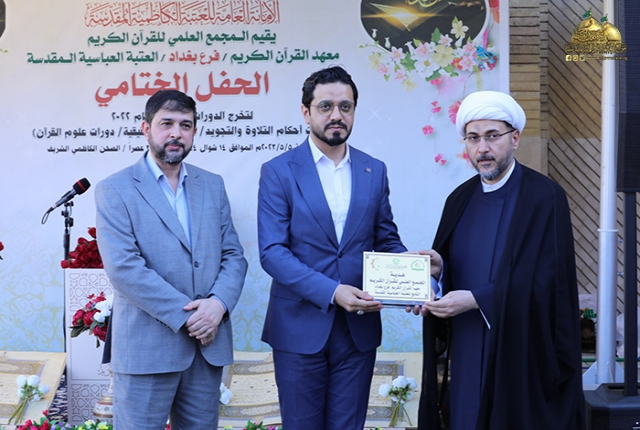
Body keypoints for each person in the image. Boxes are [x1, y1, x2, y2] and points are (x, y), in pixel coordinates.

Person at [414, 91, 585, 430]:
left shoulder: (544, 196)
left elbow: (549, 282)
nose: (483, 148)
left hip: (521, 349)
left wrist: (479, 299)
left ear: (514, 138)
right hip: (467, 343)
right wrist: (439, 272)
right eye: (473, 138)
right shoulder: (459, 199)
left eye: (492, 136)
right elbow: (456, 266)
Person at [258, 66, 408, 430]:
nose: (336, 115)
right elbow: (272, 252)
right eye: (325, 106)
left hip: (358, 331)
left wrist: (413, 274)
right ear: (306, 111)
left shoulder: (374, 170)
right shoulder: (279, 170)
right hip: (298, 328)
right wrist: (332, 291)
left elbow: (386, 239)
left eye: (345, 106)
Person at [95, 90, 247, 429]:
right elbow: (124, 268)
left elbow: (233, 255)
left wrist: (218, 305)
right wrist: (192, 317)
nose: (176, 133)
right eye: (166, 124)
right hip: (147, 349)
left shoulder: (212, 185)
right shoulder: (115, 189)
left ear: (194, 131)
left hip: (206, 349)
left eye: (185, 125)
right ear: (145, 129)